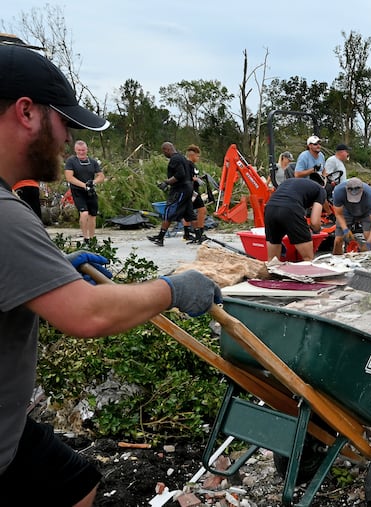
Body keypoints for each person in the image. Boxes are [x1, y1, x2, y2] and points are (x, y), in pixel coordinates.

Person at [0, 44, 221, 507]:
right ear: (26, 113)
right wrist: (173, 288)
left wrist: (54, 270)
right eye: (65, 122)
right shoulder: (6, 216)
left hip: (11, 432)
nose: (67, 139)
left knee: (75, 483)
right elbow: (88, 315)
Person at [264, 177, 326, 261]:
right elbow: (314, 222)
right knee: (307, 258)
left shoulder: (289, 181)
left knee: (272, 261)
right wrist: (317, 230)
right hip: (290, 209)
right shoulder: (320, 190)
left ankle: (272, 272)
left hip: (270, 208)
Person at [148, 142, 196, 247]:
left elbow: (180, 174)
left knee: (169, 211)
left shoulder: (175, 159)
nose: (164, 154)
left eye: (164, 151)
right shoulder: (182, 158)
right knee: (188, 212)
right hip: (188, 188)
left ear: (167, 149)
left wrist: (167, 182)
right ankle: (198, 235)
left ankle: (160, 238)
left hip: (180, 189)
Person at [64, 140, 105, 242]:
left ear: (86, 150)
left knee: (92, 215)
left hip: (90, 191)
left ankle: (92, 238)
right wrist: (84, 185)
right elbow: (69, 177)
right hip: (77, 191)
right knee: (84, 213)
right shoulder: (71, 161)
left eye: (83, 150)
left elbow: (101, 176)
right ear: (75, 150)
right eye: (79, 150)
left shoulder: (93, 161)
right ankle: (85, 237)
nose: (81, 152)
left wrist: (93, 182)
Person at [332, 177, 371, 254]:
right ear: (346, 189)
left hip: (365, 212)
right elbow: (338, 214)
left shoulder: (370, 195)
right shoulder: (338, 191)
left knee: (368, 236)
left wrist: (367, 244)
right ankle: (335, 261)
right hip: (346, 211)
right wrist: (345, 229)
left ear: (362, 190)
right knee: (338, 239)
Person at [182, 144, 207, 244]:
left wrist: (199, 178)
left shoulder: (193, 165)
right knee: (199, 210)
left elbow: (193, 175)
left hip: (195, 191)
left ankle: (190, 233)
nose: (198, 158)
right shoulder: (187, 164)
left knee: (193, 211)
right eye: (197, 156)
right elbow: (187, 177)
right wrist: (195, 179)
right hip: (191, 192)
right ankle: (197, 232)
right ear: (192, 155)